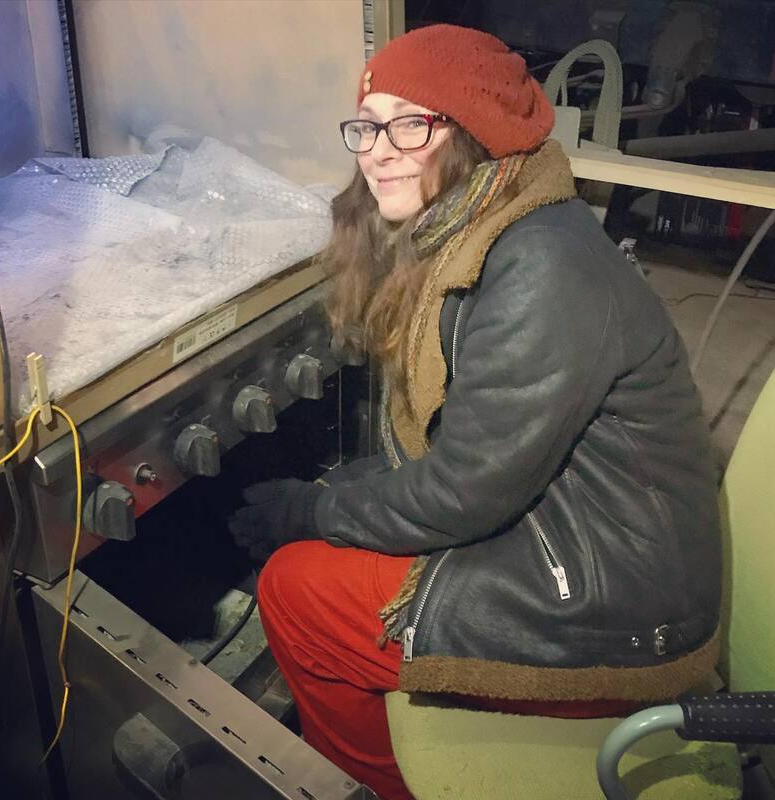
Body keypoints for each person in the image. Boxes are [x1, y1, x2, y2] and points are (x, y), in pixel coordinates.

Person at [229, 24, 722, 800]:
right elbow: (444, 450)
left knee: (295, 591)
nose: (377, 150)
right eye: (368, 124)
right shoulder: (481, 227)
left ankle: (374, 784)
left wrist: (309, 511)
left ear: (474, 133)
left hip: (618, 602)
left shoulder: (541, 265)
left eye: (411, 123)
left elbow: (462, 492)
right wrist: (333, 498)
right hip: (572, 536)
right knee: (328, 535)